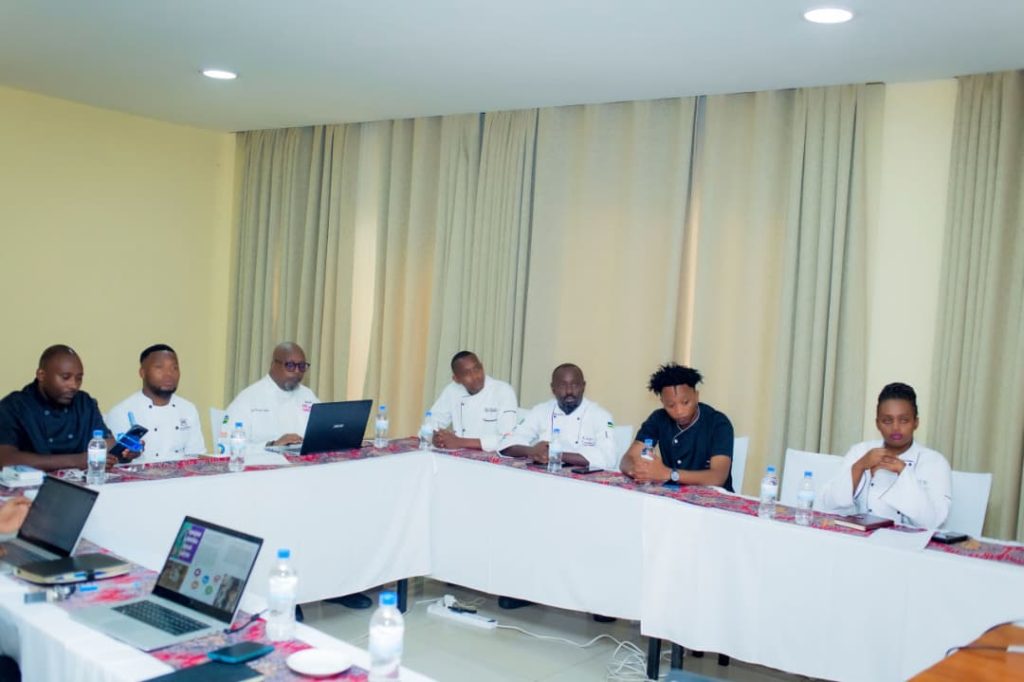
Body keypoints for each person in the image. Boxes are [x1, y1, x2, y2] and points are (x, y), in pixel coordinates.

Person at [818, 382, 952, 529]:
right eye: (887, 421)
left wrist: (903, 472)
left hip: (907, 541)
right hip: (859, 537)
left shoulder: (934, 462)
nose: (895, 428)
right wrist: (860, 466)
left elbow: (933, 522)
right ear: (877, 424)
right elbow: (829, 504)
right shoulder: (860, 451)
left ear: (916, 423)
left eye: (904, 420)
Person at [0, 345, 124, 471]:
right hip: (32, 482)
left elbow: (105, 443)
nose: (73, 385)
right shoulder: (14, 406)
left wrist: (124, 450)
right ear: (41, 375)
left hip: (83, 481)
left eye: (79, 378)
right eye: (65, 377)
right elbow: (5, 459)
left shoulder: (84, 402)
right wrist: (77, 461)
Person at [620, 363, 734, 491]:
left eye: (685, 402)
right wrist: (639, 470)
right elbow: (626, 460)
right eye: (671, 405)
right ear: (662, 402)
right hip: (672, 494)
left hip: (715, 498)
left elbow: (718, 477)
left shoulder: (718, 423)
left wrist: (669, 474)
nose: (679, 411)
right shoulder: (658, 418)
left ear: (696, 396)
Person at [499, 363, 616, 470]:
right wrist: (532, 451)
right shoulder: (541, 411)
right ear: (553, 389)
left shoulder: (600, 416)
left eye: (575, 385)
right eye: (562, 386)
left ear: (583, 386)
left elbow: (608, 459)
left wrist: (554, 454)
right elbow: (506, 443)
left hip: (581, 483)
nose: (569, 391)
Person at [105, 344, 205, 463]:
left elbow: (196, 456)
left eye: (174, 368)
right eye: (159, 367)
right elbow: (114, 461)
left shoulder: (188, 409)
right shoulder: (121, 412)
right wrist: (129, 455)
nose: (169, 374)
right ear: (142, 373)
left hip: (181, 474)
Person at [226, 342, 320, 446]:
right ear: (273, 365)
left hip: (306, 456)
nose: (297, 371)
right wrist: (272, 445)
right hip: (265, 456)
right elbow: (229, 445)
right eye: (290, 365)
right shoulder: (248, 398)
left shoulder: (308, 395)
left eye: (302, 366)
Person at [429, 351, 518, 451]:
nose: (475, 376)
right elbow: (432, 420)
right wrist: (435, 437)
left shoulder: (502, 390)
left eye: (477, 369)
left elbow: (508, 439)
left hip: (492, 457)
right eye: (466, 373)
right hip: (459, 455)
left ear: (482, 367)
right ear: (456, 379)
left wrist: (460, 442)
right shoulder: (452, 390)